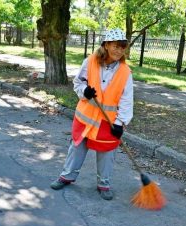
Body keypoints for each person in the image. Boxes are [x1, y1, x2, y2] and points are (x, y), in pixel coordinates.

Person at [50, 29, 134, 200]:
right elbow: (78, 83)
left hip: (108, 122)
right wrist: (85, 92)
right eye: (116, 46)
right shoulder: (90, 62)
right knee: (77, 147)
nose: (119, 51)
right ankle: (66, 176)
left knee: (107, 152)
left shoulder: (125, 72)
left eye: (122, 47)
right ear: (106, 45)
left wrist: (121, 122)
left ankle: (104, 184)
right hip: (85, 117)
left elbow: (127, 99)